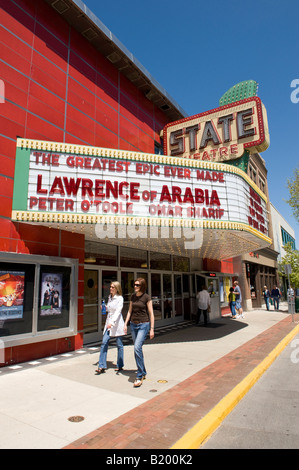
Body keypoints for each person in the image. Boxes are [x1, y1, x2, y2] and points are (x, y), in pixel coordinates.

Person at [124, 278, 154, 388]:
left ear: (142, 286)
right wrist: (125, 323)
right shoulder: (133, 296)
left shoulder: (147, 297)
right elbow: (130, 311)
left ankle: (139, 375)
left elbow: (151, 313)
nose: (135, 286)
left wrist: (151, 328)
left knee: (137, 347)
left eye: (137, 285)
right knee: (137, 349)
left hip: (143, 325)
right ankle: (143, 371)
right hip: (133, 324)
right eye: (134, 284)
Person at [96, 281, 125, 374]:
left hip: (116, 323)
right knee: (104, 342)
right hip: (109, 323)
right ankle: (101, 365)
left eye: (113, 287)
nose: (111, 288)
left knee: (119, 344)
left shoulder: (120, 298)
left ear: (117, 289)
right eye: (110, 287)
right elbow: (110, 309)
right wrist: (105, 308)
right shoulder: (110, 297)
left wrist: (111, 323)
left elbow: (117, 312)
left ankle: (120, 365)